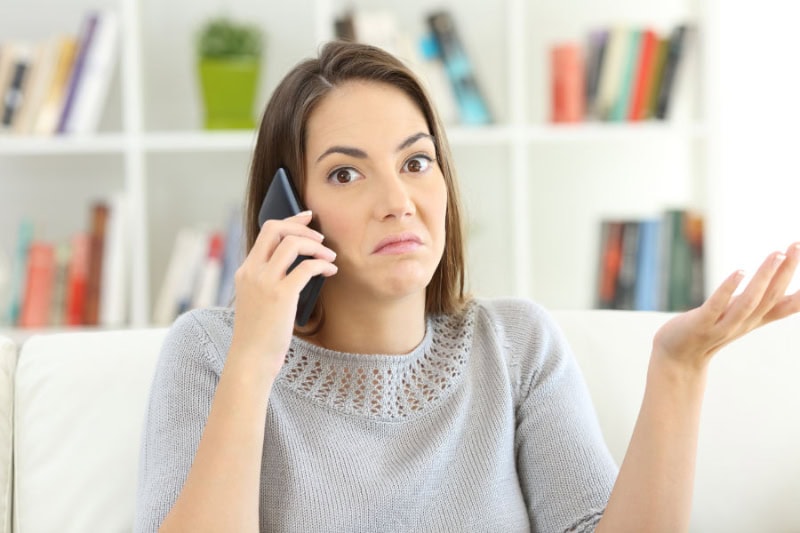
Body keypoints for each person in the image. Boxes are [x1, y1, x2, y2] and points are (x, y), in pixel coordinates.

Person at [133, 40, 800, 533]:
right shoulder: (212, 351)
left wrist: (678, 368)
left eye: (416, 161)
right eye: (345, 173)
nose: (398, 200)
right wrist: (253, 359)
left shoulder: (516, 345)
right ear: (286, 211)